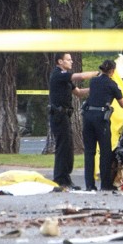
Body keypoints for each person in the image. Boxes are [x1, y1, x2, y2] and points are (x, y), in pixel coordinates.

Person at [48, 52, 97, 189]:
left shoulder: (65, 77)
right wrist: (97, 73)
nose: (72, 62)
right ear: (60, 62)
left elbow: (79, 92)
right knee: (63, 148)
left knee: (68, 148)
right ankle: (60, 179)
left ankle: (65, 178)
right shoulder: (58, 74)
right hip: (58, 115)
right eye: (68, 60)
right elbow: (80, 76)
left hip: (65, 116)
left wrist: (97, 87)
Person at [82, 59, 123, 192]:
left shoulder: (93, 81)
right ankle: (105, 185)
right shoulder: (112, 84)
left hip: (87, 117)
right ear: (112, 71)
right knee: (105, 152)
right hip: (101, 119)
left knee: (89, 152)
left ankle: (89, 185)